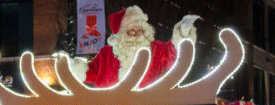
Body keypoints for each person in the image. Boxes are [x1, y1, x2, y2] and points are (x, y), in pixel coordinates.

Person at [71, 6, 199, 88]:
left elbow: (175, 53)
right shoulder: (106, 53)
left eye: (140, 30)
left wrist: (184, 30)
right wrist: (75, 68)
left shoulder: (156, 50)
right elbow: (91, 73)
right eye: (132, 31)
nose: (136, 33)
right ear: (122, 33)